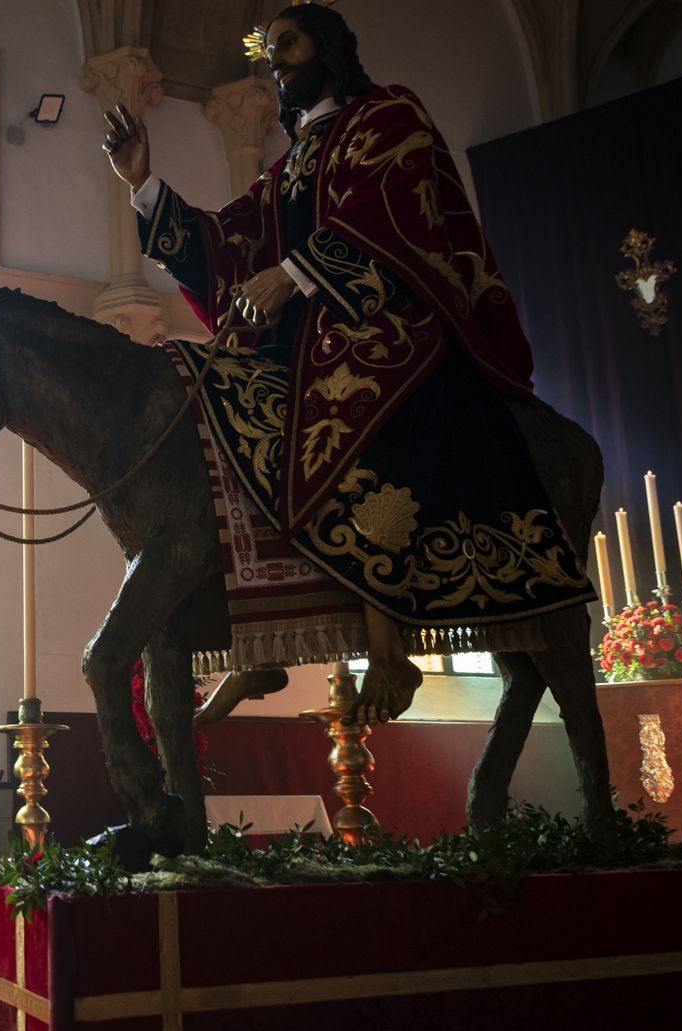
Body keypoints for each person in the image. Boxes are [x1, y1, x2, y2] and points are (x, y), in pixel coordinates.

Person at [103, 3, 594, 722]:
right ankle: (260, 632)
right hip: (308, 330)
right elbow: (228, 240)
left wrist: (292, 275)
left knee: (344, 395)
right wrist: (143, 184)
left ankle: (384, 637)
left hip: (391, 316)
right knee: (224, 390)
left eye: (288, 44)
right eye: (268, 50)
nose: (276, 60)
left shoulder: (388, 116)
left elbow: (392, 212)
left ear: (329, 47)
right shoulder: (293, 161)